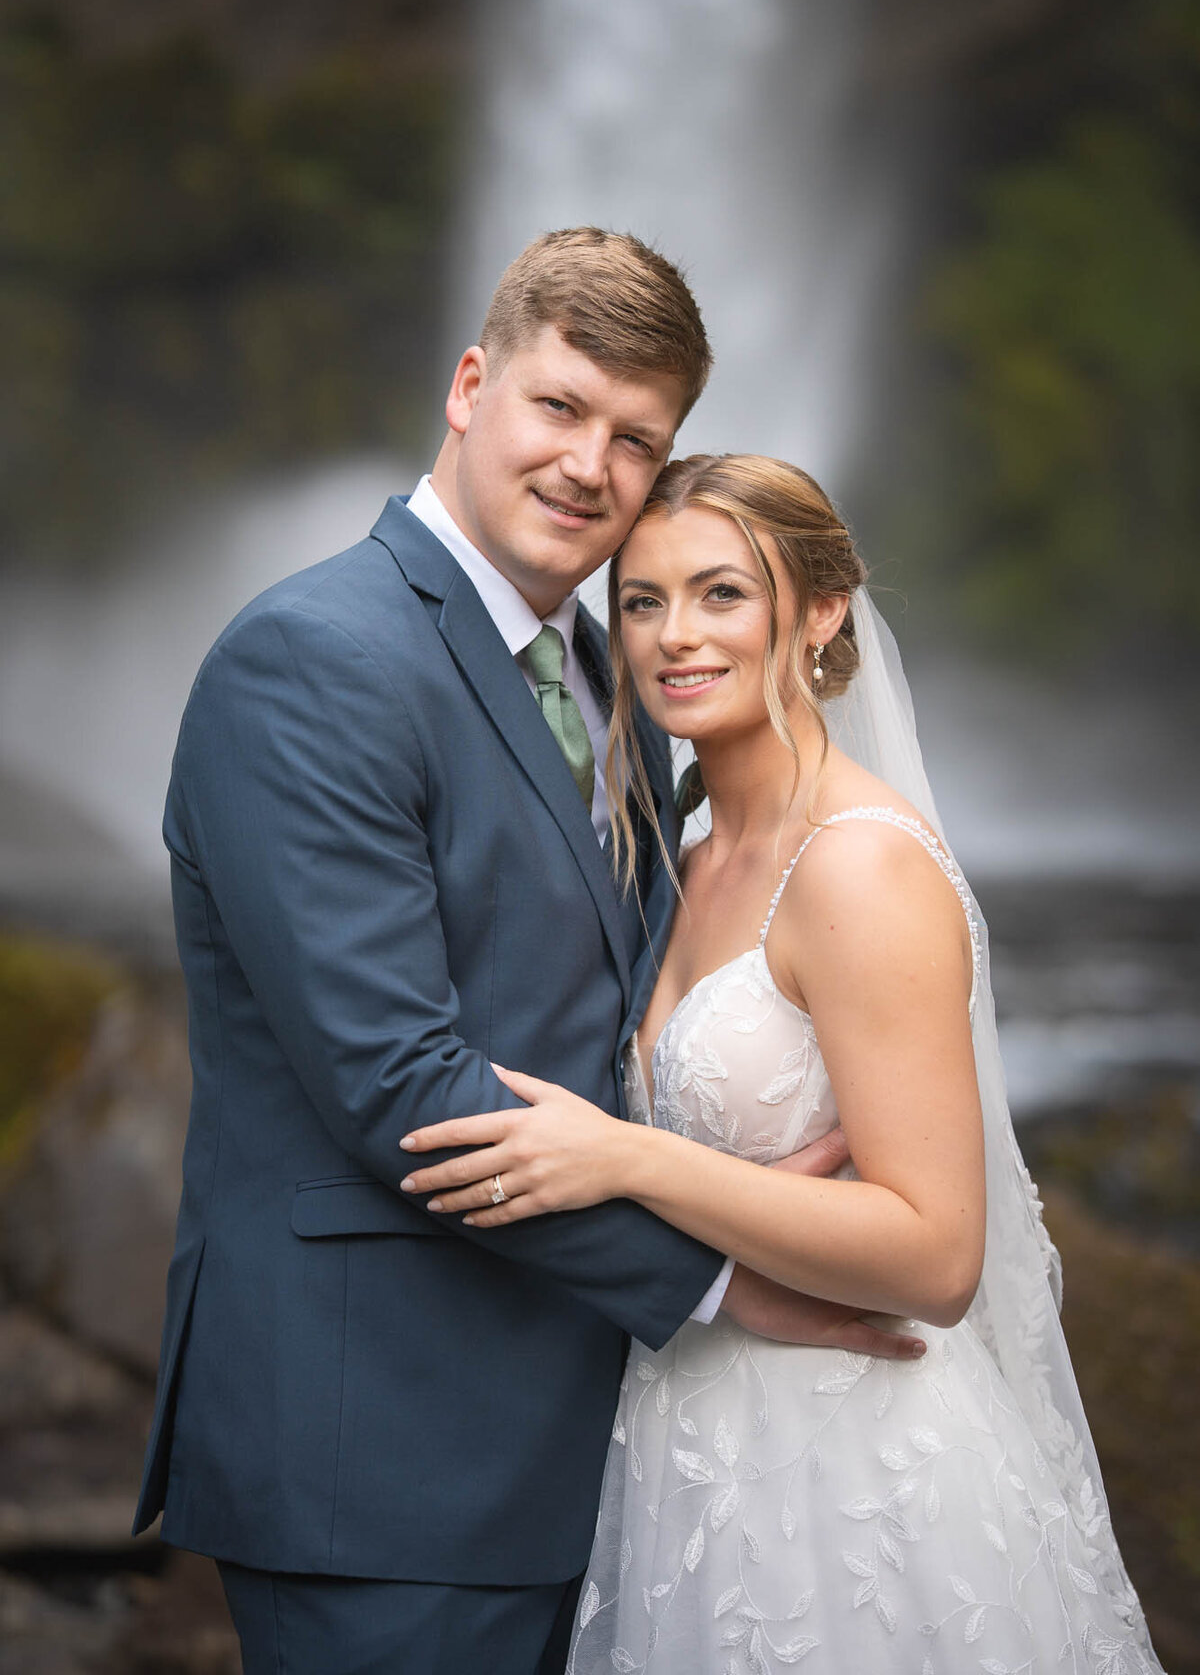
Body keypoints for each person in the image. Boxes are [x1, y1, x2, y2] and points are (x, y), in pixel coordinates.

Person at [134, 234, 924, 1675]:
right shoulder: (311, 660)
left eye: (639, 440)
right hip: (384, 1456)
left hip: (602, 1450)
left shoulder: (616, 671)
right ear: (470, 384)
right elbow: (402, 1085)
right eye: (561, 409)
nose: (590, 468)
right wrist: (728, 1279)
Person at [403, 452, 1166, 1673]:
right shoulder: (683, 856)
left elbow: (937, 1253)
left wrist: (628, 1160)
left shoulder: (860, 868)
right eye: (642, 602)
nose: (671, 637)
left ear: (819, 611)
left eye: (721, 595)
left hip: (855, 1466)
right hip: (686, 1443)